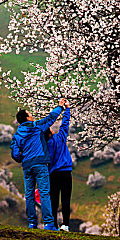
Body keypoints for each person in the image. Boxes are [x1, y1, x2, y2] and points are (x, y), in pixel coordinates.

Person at [10, 100, 66, 230]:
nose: (32, 115)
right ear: (27, 118)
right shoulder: (37, 126)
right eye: (30, 114)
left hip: (27, 166)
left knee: (29, 195)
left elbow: (15, 154)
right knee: (44, 193)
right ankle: (49, 224)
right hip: (40, 164)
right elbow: (51, 118)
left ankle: (32, 223)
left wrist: (23, 158)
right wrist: (60, 106)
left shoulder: (17, 135)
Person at [45, 99, 73, 231]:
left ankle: (53, 225)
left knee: (54, 201)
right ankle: (65, 225)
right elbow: (65, 125)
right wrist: (66, 109)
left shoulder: (44, 147)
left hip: (53, 174)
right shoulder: (60, 138)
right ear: (50, 132)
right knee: (66, 198)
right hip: (66, 172)